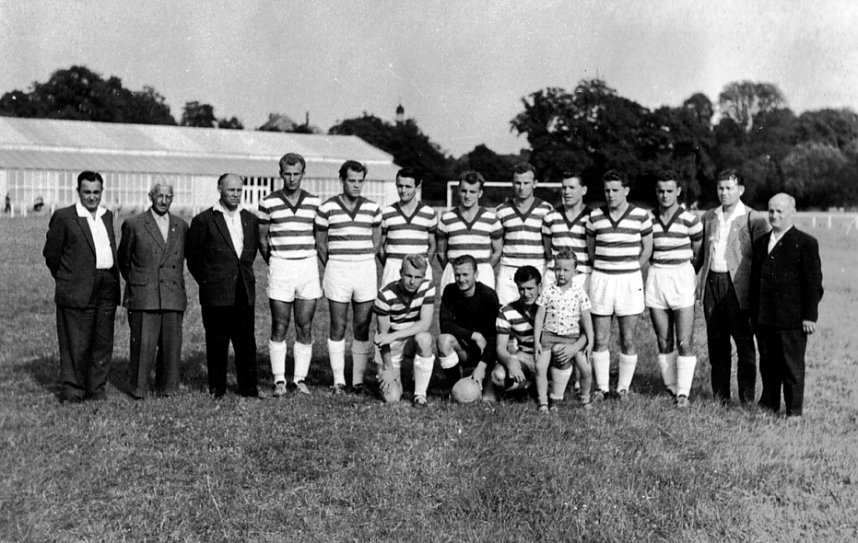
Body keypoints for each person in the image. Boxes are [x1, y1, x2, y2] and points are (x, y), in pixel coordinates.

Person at [43, 171, 121, 402]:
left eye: (96, 192)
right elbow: (51, 254)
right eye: (86, 192)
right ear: (78, 192)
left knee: (102, 340)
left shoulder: (107, 216)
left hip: (106, 285)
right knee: (76, 341)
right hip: (77, 288)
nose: (91, 197)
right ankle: (73, 390)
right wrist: (68, 279)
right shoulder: (65, 217)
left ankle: (96, 388)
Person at [696, 169, 769, 404]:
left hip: (738, 288)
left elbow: (761, 260)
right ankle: (721, 397)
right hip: (712, 285)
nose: (724, 193)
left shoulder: (753, 218)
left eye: (729, 188)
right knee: (717, 344)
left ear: (741, 190)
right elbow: (700, 256)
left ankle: (746, 399)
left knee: (744, 344)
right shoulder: (709, 216)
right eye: (720, 188)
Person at [187, 173, 260, 399]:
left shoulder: (250, 219)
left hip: (243, 290)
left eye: (239, 190)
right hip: (216, 292)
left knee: (246, 342)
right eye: (231, 190)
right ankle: (217, 388)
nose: (236, 194)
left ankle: (248, 388)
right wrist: (210, 282)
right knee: (217, 342)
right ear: (220, 189)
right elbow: (193, 258)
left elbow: (249, 252)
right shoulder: (204, 220)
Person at [750, 193, 823, 418]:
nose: (774, 215)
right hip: (764, 317)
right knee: (768, 363)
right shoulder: (762, 242)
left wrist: (809, 316)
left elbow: (813, 284)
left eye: (780, 211)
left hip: (791, 318)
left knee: (791, 366)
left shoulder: (805, 243)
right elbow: (755, 281)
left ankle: (794, 411)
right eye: (771, 210)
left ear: (792, 213)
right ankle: (769, 404)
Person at [315, 160, 382, 394]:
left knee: (362, 326)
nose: (356, 185)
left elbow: (376, 241)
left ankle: (358, 380)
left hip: (364, 269)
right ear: (342, 180)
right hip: (338, 269)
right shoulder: (327, 208)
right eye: (351, 181)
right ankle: (338, 380)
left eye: (360, 181)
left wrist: (361, 258)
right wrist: (336, 263)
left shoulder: (372, 208)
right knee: (338, 325)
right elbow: (321, 244)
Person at [117, 181, 189, 399]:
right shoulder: (134, 224)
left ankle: (168, 388)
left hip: (172, 294)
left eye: (169, 196)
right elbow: (124, 259)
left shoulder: (181, 225)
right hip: (144, 294)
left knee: (171, 345)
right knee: (143, 344)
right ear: (150, 196)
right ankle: (139, 389)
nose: (164, 200)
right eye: (159, 196)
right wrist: (140, 282)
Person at [586, 169, 653, 401]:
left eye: (615, 190)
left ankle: (623, 388)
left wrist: (631, 268)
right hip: (602, 280)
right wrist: (606, 267)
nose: (610, 195)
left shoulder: (641, 216)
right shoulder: (595, 216)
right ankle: (602, 388)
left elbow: (647, 249)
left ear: (626, 190)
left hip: (629, 280)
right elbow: (591, 250)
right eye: (607, 190)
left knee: (628, 339)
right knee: (600, 338)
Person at [258, 153, 321, 397]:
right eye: (287, 173)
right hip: (281, 266)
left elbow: (318, 236)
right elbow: (263, 240)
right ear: (280, 173)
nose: (292, 178)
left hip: (306, 266)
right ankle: (279, 380)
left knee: (304, 325)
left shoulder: (315, 203)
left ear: (303, 174)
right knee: (279, 324)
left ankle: (300, 379)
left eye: (296, 174)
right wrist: (276, 261)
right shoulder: (268, 202)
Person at [645, 170, 703, 408]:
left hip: (682, 276)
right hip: (657, 276)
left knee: (685, 340)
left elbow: (698, 253)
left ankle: (683, 393)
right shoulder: (647, 219)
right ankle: (670, 386)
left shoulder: (690, 219)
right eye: (661, 191)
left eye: (670, 191)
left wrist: (687, 274)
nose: (665, 195)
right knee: (663, 338)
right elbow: (647, 250)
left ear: (678, 191)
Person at [533, 250, 594, 413]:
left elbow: (587, 320)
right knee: (540, 366)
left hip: (572, 337)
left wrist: (590, 342)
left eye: (566, 270)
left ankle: (585, 398)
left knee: (586, 368)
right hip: (549, 336)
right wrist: (537, 341)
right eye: (557, 269)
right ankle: (543, 402)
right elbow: (539, 317)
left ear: (575, 272)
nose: (561, 273)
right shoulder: (547, 291)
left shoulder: (580, 293)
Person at [374, 254, 437, 407]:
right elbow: (383, 338)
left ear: (424, 276)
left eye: (418, 277)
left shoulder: (428, 287)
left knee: (425, 338)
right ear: (400, 273)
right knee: (393, 397)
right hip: (390, 348)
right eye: (408, 275)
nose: (412, 281)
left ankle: (420, 395)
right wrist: (388, 368)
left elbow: (424, 324)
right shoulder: (384, 295)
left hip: (409, 340)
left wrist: (394, 335)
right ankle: (398, 375)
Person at [437, 255, 500, 399]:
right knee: (443, 340)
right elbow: (445, 324)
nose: (461, 279)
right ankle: (455, 386)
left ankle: (486, 380)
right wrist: (474, 335)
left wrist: (482, 365)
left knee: (487, 399)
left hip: (487, 353)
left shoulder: (488, 295)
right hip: (465, 349)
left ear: (476, 274)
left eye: (465, 274)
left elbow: (493, 335)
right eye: (457, 275)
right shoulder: (450, 291)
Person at [495, 162, 553, 305]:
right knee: (504, 314)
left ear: (535, 183)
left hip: (536, 268)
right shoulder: (502, 210)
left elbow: (549, 246)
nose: (522, 187)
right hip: (509, 269)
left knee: (537, 315)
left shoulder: (546, 209)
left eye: (526, 183)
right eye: (518, 183)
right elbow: (497, 244)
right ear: (512, 184)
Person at [436, 170, 502, 292]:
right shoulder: (446, 219)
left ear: (480, 193)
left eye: (472, 192)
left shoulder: (492, 219)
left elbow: (497, 252)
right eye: (464, 191)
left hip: (482, 275)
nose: (467, 196)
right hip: (454, 275)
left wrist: (482, 268)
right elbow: (441, 253)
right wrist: (455, 269)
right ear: (458, 191)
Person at [378, 168, 437, 287]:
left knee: (421, 305)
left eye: (408, 186)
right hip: (393, 270)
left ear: (417, 186)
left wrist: (423, 265)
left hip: (419, 271)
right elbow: (380, 246)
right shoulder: (387, 213)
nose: (403, 190)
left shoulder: (429, 213)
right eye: (400, 186)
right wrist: (391, 264)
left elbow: (432, 245)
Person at [492, 265, 542, 399]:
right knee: (498, 377)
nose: (526, 294)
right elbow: (500, 348)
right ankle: (528, 385)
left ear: (539, 286)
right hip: (524, 356)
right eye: (522, 289)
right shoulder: (507, 311)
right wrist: (510, 362)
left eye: (530, 288)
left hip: (547, 356)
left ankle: (537, 386)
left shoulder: (549, 307)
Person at [542, 169, 592, 289]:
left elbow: (592, 252)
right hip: (555, 276)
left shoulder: (592, 217)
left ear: (584, 190)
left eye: (572, 187)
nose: (567, 192)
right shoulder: (550, 217)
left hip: (581, 276)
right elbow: (548, 250)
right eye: (564, 188)